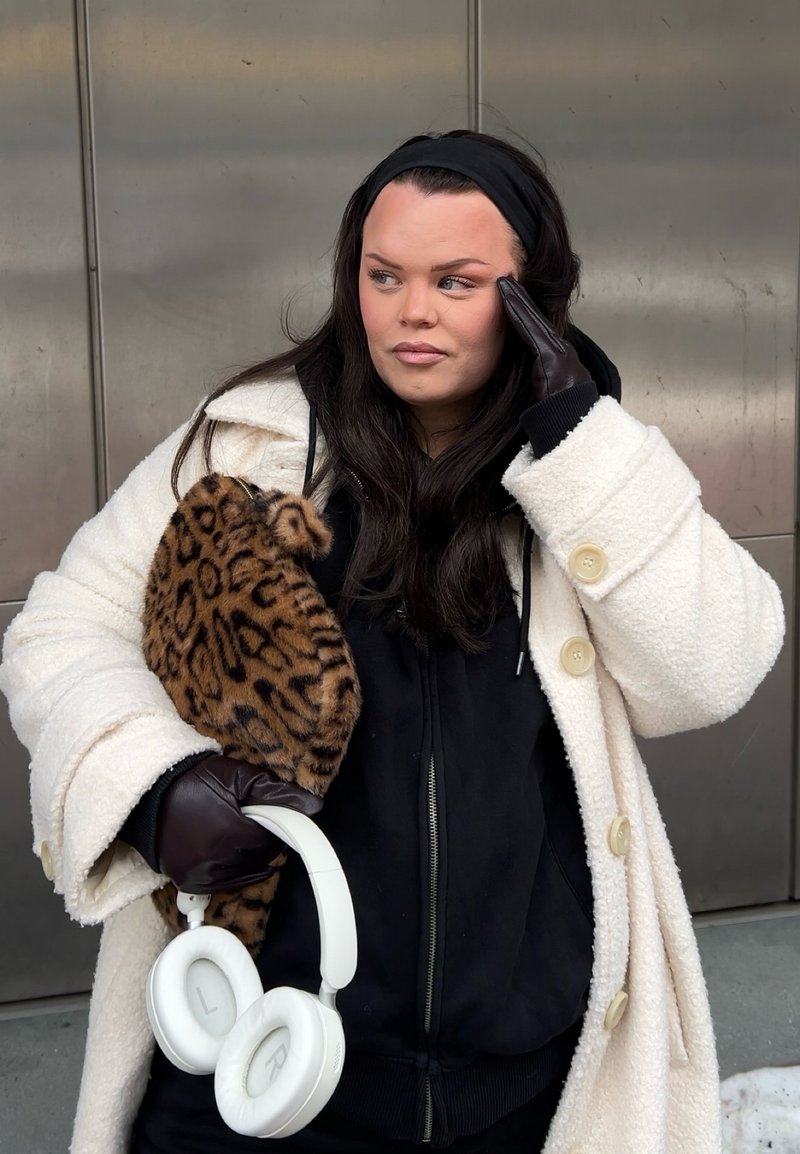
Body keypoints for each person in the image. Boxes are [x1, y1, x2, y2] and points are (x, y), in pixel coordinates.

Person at [0, 130, 785, 1154]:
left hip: (522, 1076)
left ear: (530, 297)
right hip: (261, 1059)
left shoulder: (587, 476)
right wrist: (148, 783)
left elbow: (716, 666)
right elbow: (61, 624)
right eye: (384, 275)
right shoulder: (255, 445)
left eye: (456, 281)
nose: (409, 311)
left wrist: (576, 436)